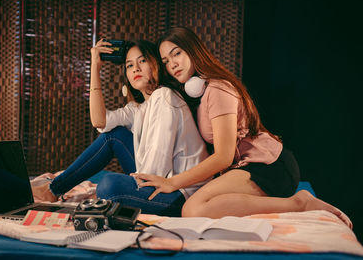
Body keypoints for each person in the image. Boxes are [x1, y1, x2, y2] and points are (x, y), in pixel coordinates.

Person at [132, 27, 352, 228]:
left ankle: (299, 203)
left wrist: (172, 182)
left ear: (193, 50)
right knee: (197, 205)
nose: (173, 64)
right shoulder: (198, 92)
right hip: (243, 168)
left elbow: (223, 157)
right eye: (166, 61)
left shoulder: (217, 89)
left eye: (177, 53)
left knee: (192, 210)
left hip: (269, 167)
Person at [32, 39, 208, 216]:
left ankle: (54, 190)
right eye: (129, 65)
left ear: (156, 63)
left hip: (180, 194)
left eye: (142, 61)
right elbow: (100, 121)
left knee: (109, 185)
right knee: (113, 136)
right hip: (159, 182)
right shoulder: (138, 108)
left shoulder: (165, 97)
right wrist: (95, 68)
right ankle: (54, 190)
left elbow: (156, 167)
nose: (135, 69)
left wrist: (129, 185)